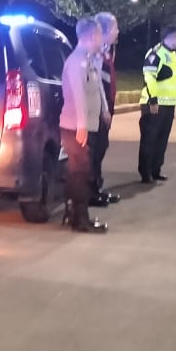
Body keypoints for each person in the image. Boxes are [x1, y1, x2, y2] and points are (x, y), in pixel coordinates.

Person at [60, 18, 111, 234]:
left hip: (84, 126)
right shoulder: (77, 61)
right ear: (92, 36)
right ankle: (80, 220)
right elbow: (78, 95)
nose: (101, 39)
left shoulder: (88, 59)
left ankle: (73, 214)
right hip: (76, 127)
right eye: (99, 35)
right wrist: (81, 126)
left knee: (79, 172)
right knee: (80, 173)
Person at [138, 25, 176, 184]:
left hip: (168, 105)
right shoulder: (155, 53)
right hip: (154, 104)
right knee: (149, 140)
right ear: (170, 37)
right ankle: (145, 172)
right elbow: (149, 78)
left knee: (161, 140)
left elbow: (175, 82)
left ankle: (156, 170)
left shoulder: (173, 55)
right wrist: (153, 100)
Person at [90, 11, 121, 207]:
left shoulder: (106, 50)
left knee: (101, 147)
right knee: (95, 150)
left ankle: (96, 189)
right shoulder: (96, 51)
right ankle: (91, 192)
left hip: (105, 105)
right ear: (106, 29)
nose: (118, 31)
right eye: (115, 27)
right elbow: (96, 83)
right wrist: (104, 108)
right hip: (98, 108)